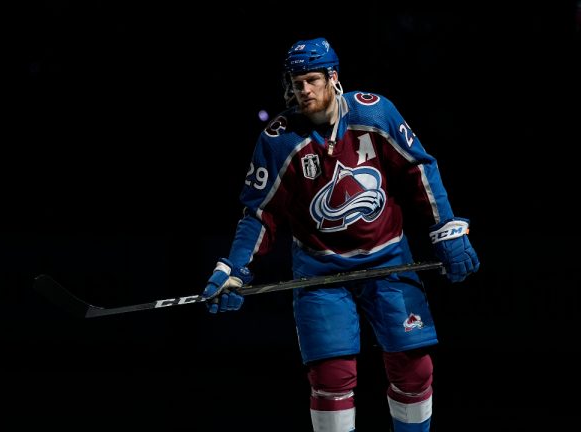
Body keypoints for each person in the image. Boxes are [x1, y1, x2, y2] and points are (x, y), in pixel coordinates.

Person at [201, 37, 480, 432]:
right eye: (297, 83)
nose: (304, 91)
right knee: (330, 379)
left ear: (334, 78)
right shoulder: (278, 140)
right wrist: (233, 268)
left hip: (389, 260)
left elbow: (419, 169)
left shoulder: (375, 113)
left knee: (414, 369)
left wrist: (446, 228)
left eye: (313, 80)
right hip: (320, 272)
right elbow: (259, 214)